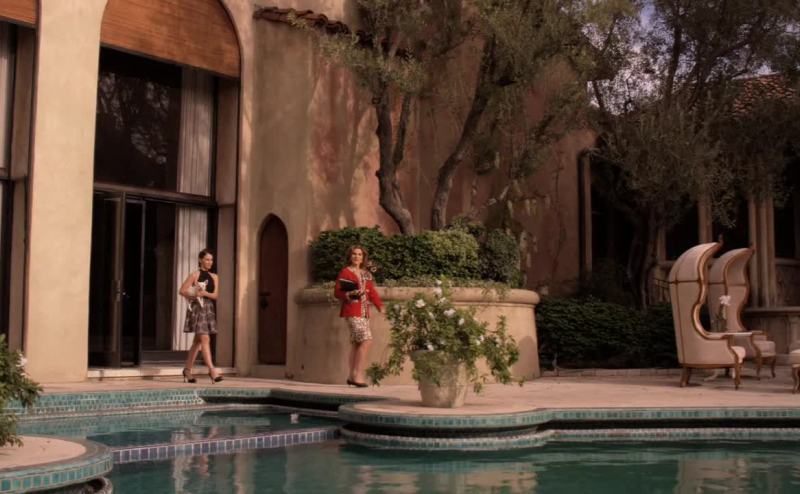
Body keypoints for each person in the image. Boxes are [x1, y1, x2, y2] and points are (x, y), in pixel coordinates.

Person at [334, 245, 383, 387]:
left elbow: (371, 292)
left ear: (363, 257)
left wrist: (380, 307)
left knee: (357, 343)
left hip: (364, 312)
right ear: (350, 256)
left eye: (360, 254)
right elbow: (337, 292)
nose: (357, 257)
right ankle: (358, 375)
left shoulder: (366, 274)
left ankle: (351, 376)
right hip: (352, 311)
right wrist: (349, 294)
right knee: (366, 340)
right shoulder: (345, 272)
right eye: (354, 254)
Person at [181, 249, 224, 384]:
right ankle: (212, 370)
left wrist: (204, 293)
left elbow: (215, 295)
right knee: (205, 338)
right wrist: (194, 294)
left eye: (211, 260)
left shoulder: (215, 276)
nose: (210, 262)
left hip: (208, 309)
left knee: (197, 341)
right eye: (207, 259)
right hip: (197, 309)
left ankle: (187, 370)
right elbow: (182, 290)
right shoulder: (195, 275)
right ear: (200, 260)